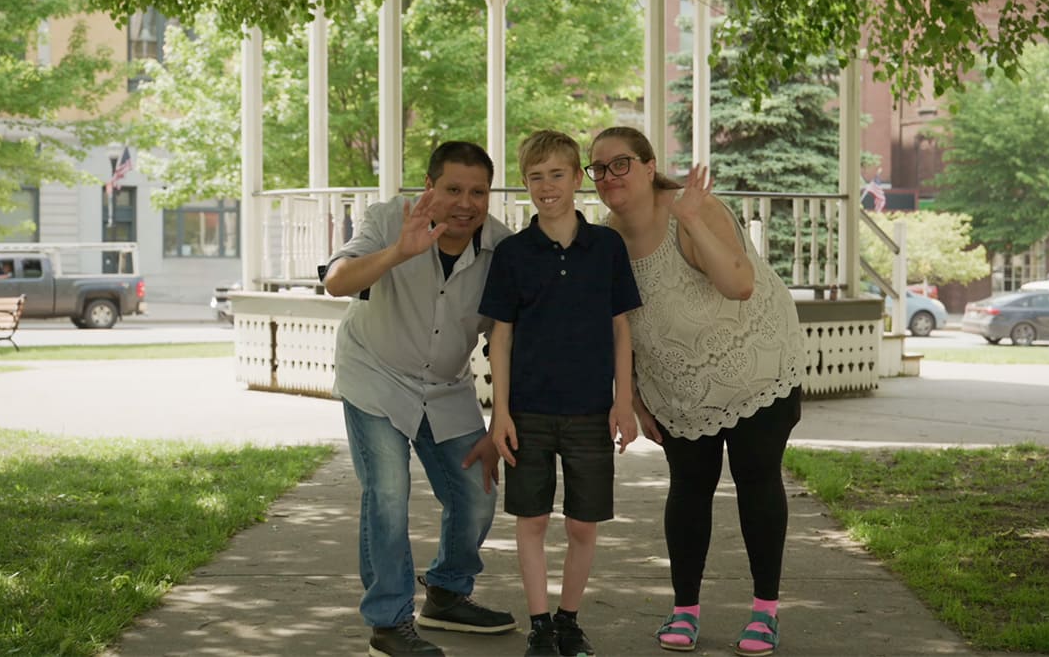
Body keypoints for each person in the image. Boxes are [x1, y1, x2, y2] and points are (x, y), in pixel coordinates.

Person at [586, 127, 806, 657]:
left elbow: (740, 284)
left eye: (621, 164)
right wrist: (633, 396)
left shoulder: (693, 210)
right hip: (678, 385)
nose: (609, 177)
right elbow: (616, 325)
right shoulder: (604, 239)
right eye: (598, 168)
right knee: (689, 488)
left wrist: (689, 220)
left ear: (647, 165)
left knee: (756, 481)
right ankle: (683, 612)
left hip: (756, 365)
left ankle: (765, 614)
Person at [323, 141, 517, 657]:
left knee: (477, 489)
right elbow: (337, 282)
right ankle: (388, 622)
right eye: (453, 189)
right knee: (388, 491)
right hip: (376, 374)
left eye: (479, 192)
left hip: (446, 385)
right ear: (429, 186)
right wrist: (397, 254)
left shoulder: (503, 248)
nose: (466, 203)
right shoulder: (390, 219)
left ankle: (449, 593)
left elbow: (505, 337)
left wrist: (501, 418)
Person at [479, 130, 642, 657]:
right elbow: (499, 337)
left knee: (582, 524)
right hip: (527, 411)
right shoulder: (512, 253)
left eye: (557, 174)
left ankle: (570, 621)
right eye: (535, 177)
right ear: (525, 183)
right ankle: (541, 625)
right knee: (531, 521)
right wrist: (500, 412)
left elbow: (621, 328)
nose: (546, 187)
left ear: (577, 178)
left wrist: (624, 400)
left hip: (592, 410)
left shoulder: (607, 247)